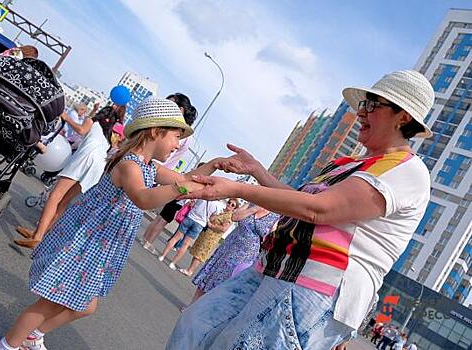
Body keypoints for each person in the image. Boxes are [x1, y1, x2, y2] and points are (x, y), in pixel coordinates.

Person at [167, 70, 434, 349]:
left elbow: (319, 210)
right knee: (195, 327)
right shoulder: (351, 163)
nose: (361, 113)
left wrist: (237, 189)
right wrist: (258, 171)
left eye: (372, 105)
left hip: (316, 285)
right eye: (363, 105)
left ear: (403, 117)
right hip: (276, 265)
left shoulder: (407, 170)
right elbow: (301, 201)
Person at [0, 98, 228, 350]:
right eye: (176, 137)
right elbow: (143, 198)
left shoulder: (148, 166)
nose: (178, 145)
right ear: (156, 132)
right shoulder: (129, 164)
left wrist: (214, 165)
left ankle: (33, 334)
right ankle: (7, 345)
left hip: (100, 246)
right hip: (85, 241)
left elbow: (185, 178)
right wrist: (183, 187)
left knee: (85, 305)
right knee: (51, 302)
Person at [13, 86, 129, 249]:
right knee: (64, 201)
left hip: (85, 159)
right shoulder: (108, 132)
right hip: (97, 165)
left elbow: (81, 129)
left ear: (101, 114)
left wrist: (66, 117)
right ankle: (41, 235)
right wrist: (94, 112)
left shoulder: (93, 122)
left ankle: (37, 236)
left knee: (55, 195)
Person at [140, 93, 198, 254]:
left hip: (154, 174)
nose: (175, 145)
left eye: (178, 137)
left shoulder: (180, 138)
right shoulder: (135, 162)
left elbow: (184, 178)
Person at [187, 204, 279, 305]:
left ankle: (206, 310)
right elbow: (234, 217)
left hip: (247, 255)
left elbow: (271, 239)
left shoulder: (275, 217)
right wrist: (254, 209)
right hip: (230, 246)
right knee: (211, 274)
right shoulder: (252, 203)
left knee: (227, 282)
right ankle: (192, 305)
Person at [158, 198, 223, 271]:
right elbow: (212, 218)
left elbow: (192, 203)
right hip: (200, 224)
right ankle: (173, 263)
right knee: (185, 244)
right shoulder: (218, 205)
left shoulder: (204, 196)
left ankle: (162, 256)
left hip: (190, 217)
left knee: (176, 237)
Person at [178, 198, 238, 277]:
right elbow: (211, 217)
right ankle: (189, 269)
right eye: (229, 202)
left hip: (212, 237)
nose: (229, 205)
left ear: (234, 208)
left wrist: (212, 225)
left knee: (200, 254)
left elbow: (223, 228)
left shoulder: (229, 217)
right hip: (206, 233)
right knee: (197, 251)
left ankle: (190, 271)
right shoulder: (222, 211)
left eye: (232, 205)